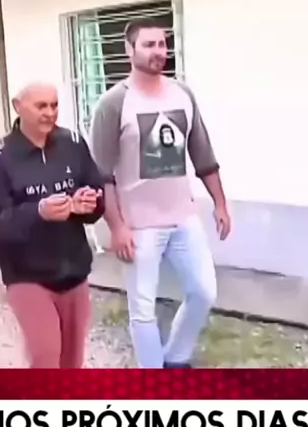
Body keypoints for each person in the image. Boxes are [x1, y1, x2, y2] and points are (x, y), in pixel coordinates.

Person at [90, 20, 231, 369]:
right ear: (130, 50)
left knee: (203, 292)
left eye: (162, 44)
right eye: (149, 45)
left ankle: (175, 359)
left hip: (183, 217)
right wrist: (117, 227)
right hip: (139, 225)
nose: (158, 52)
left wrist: (220, 203)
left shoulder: (182, 94)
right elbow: (101, 173)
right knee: (142, 308)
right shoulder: (114, 103)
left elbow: (202, 153)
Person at [0, 81, 105, 368]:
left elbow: (97, 194)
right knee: (45, 357)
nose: (49, 113)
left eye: (54, 105)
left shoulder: (73, 143)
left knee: (72, 363)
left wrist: (89, 203)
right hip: (27, 274)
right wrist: (38, 212)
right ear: (18, 107)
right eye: (41, 106)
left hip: (74, 270)